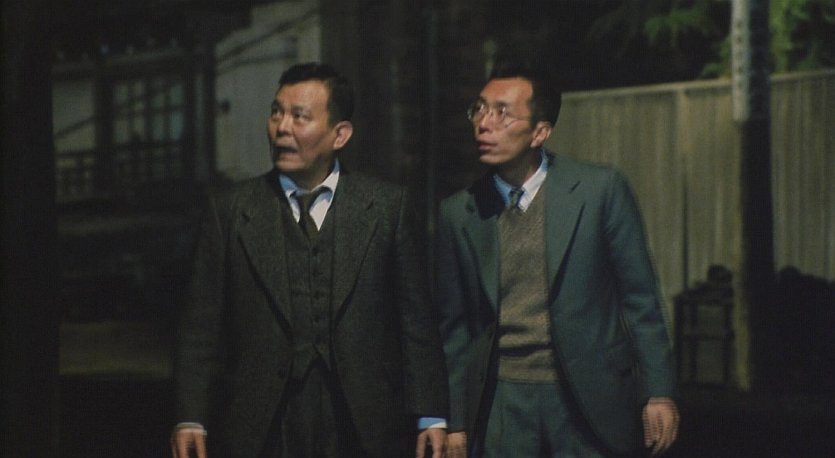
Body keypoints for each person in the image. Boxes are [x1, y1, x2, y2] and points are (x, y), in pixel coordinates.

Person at [171, 62, 449, 458]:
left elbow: (416, 321)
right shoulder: (230, 211)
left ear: (340, 134)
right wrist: (190, 417)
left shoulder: (388, 208)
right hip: (262, 424)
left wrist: (430, 415)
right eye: (276, 113)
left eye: (299, 117)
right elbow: (201, 326)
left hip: (362, 423)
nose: (282, 128)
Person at [436, 59, 679, 458]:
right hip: (502, 402)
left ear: (540, 132)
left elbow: (641, 300)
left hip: (588, 397)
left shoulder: (599, 191)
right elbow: (455, 330)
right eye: (479, 109)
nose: (484, 123)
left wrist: (658, 392)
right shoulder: (458, 213)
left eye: (502, 113)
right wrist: (455, 422)